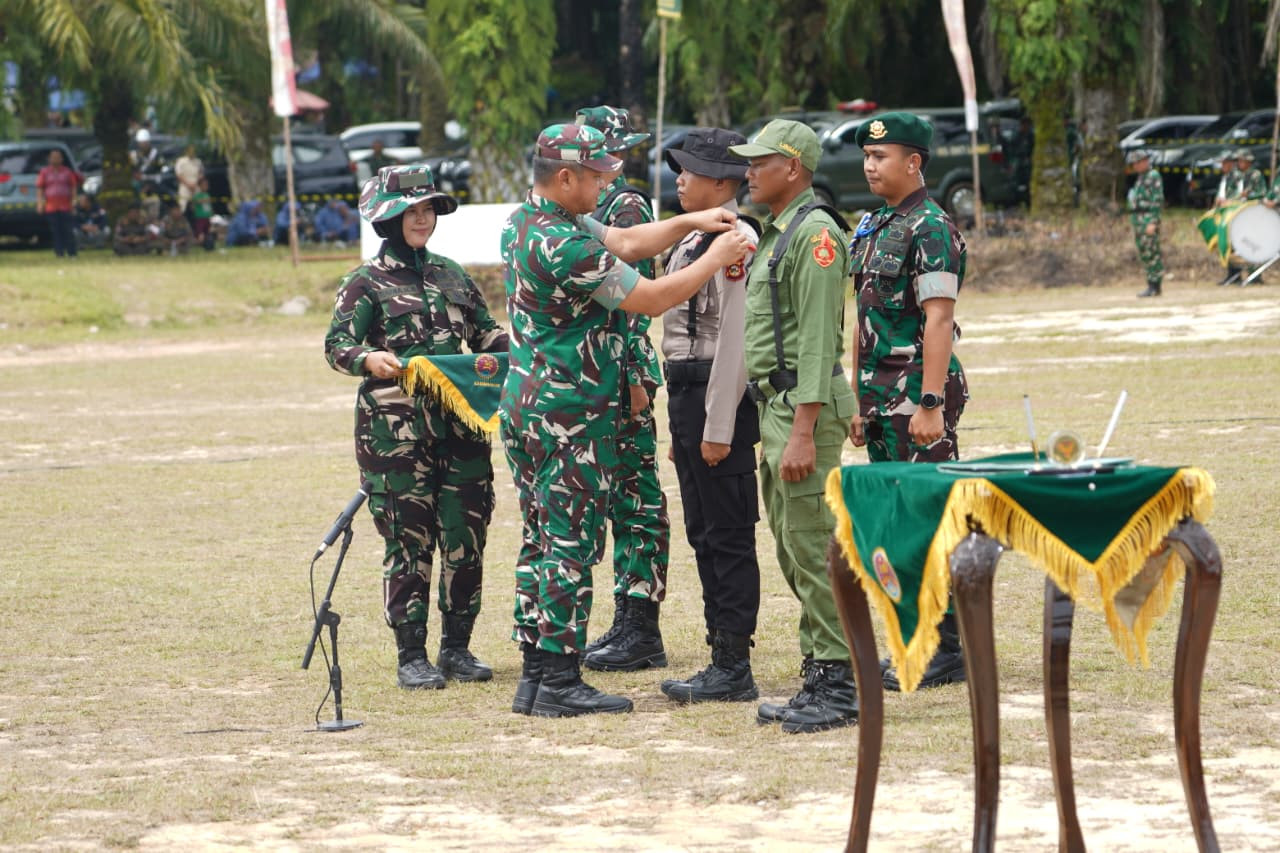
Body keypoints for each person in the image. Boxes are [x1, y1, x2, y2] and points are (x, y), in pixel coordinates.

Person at [501, 123, 750, 718]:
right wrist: (716, 254)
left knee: (540, 537)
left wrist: (692, 224)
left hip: (528, 407)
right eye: (597, 176)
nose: (607, 182)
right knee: (570, 543)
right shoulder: (565, 245)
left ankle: (535, 672)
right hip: (571, 414)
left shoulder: (528, 222)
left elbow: (626, 240)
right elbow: (650, 297)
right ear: (566, 178)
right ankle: (560, 680)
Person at [324, 164, 509, 690]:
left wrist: (520, 352)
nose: (423, 218)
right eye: (412, 210)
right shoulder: (364, 283)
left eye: (429, 209)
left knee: (465, 536)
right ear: (388, 218)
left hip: (463, 429)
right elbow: (336, 346)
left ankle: (457, 649)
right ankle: (412, 654)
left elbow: (487, 334)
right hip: (395, 439)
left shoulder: (453, 274)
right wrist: (368, 358)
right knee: (409, 542)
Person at [727, 120, 858, 734]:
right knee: (792, 541)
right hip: (778, 407)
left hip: (800, 409)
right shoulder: (781, 232)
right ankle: (821, 670)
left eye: (760, 162)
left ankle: (841, 679)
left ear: (795, 169)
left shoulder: (815, 236)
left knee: (813, 542)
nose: (748, 172)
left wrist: (805, 428)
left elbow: (816, 342)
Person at [848, 112, 971, 691]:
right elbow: (863, 319)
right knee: (895, 527)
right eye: (867, 157)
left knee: (925, 521)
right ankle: (913, 640)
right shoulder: (873, 225)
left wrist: (929, 403)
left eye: (882, 157)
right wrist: (855, 400)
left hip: (914, 400)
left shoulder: (932, 227)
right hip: (878, 401)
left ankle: (945, 648)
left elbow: (939, 319)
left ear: (914, 162)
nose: (870, 166)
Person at [654, 127, 763, 704]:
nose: (680, 178)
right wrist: (685, 428)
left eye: (691, 170)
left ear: (723, 181)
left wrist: (717, 426)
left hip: (718, 395)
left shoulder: (735, 240)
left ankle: (732, 663)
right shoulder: (694, 239)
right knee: (702, 530)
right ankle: (718, 651)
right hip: (687, 394)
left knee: (727, 532)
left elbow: (736, 341)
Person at [573, 105, 671, 674]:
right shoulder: (588, 202)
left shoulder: (623, 202)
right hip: (598, 374)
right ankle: (626, 621)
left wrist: (634, 374)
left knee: (635, 500)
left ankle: (640, 626)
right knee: (616, 498)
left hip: (620, 373)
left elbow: (634, 299)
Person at [1126, 149, 1164, 298]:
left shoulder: (1153, 176)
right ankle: (1150, 283)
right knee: (1144, 252)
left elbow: (1157, 200)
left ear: (1144, 161)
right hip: (1139, 219)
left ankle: (1155, 284)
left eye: (1137, 162)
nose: (1135, 166)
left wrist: (1153, 222)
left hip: (1148, 218)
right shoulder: (1141, 177)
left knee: (1151, 252)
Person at [35, 148, 82, 258]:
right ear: (49, 159)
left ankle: (72, 253)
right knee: (56, 231)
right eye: (53, 157)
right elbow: (40, 188)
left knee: (68, 230)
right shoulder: (44, 172)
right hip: (51, 206)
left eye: (58, 157)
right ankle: (59, 253)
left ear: (61, 159)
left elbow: (73, 187)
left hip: (66, 206)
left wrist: (74, 202)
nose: (55, 159)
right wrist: (40, 203)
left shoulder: (67, 172)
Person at [173, 144, 203, 213]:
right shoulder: (181, 161)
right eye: (190, 151)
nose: (191, 152)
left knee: (198, 206)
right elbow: (178, 174)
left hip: (195, 186)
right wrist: (188, 184)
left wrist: (195, 183)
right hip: (185, 187)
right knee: (183, 206)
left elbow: (201, 173)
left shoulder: (198, 161)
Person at [190, 177, 214, 249]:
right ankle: (198, 244)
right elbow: (193, 204)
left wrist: (211, 212)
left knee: (207, 232)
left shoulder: (207, 195)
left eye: (207, 185)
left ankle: (207, 245)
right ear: (199, 186)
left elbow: (209, 206)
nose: (206, 187)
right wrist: (202, 201)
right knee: (200, 233)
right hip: (200, 217)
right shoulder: (197, 195)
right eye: (204, 185)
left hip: (207, 217)